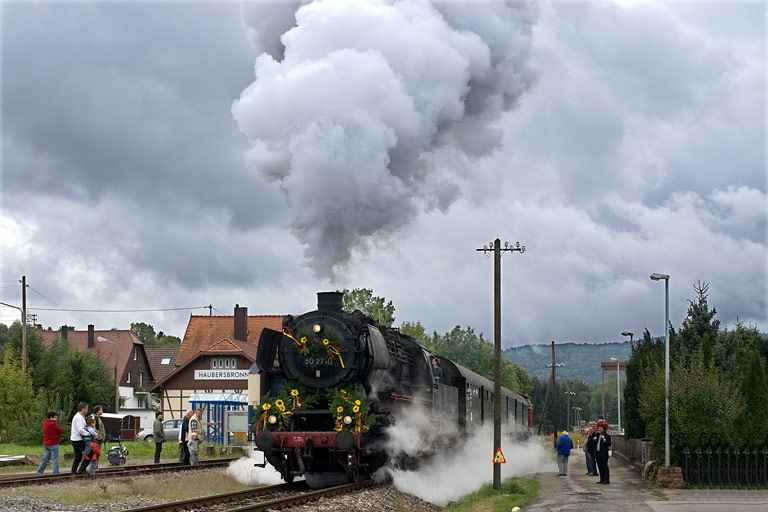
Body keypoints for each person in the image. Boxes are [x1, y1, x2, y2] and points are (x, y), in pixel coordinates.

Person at [70, 402, 89, 474]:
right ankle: (82, 469)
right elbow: (80, 430)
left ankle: (73, 471)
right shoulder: (79, 418)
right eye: (86, 409)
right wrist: (89, 434)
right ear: (83, 409)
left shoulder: (80, 417)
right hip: (78, 439)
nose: (87, 410)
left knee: (78, 457)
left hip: (76, 439)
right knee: (90, 452)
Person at [87, 405, 106, 475]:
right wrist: (100, 437)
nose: (102, 411)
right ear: (98, 411)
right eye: (101, 410)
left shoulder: (97, 418)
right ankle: (94, 468)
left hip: (97, 438)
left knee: (96, 453)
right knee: (96, 453)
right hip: (97, 439)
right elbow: (96, 429)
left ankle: (95, 466)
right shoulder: (95, 418)